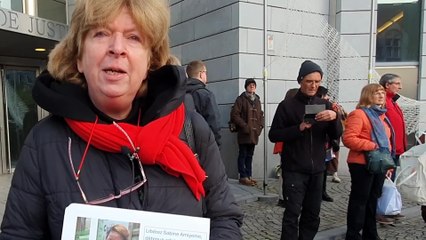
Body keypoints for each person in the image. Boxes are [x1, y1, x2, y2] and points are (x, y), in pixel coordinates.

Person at [0, 0, 243, 239]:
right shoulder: (44, 142)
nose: (117, 48)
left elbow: (224, 218)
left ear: (150, 61)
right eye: (101, 33)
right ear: (78, 58)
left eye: (134, 37)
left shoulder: (192, 129)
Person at [268, 60, 343, 240]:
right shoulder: (286, 105)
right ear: (301, 80)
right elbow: (274, 135)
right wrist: (298, 128)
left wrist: (335, 117)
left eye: (317, 81)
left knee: (312, 215)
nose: (313, 85)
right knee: (292, 214)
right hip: (294, 169)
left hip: (317, 170)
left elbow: (336, 134)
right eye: (309, 81)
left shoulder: (324, 105)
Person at [343, 83, 395, 239]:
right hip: (361, 164)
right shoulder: (359, 114)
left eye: (382, 93)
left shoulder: (382, 115)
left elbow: (387, 142)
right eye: (376, 93)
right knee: (360, 200)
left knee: (373, 200)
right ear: (367, 95)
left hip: (379, 163)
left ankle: (370, 234)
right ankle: (353, 235)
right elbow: (348, 138)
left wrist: (388, 163)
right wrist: (371, 146)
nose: (381, 96)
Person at [379, 73, 407, 220]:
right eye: (397, 83)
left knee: (391, 181)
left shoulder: (393, 101)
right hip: (388, 148)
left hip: (397, 149)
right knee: (383, 180)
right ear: (387, 85)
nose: (400, 87)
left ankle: (389, 208)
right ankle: (381, 211)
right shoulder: (382, 101)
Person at [231, 78, 264, 186]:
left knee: (250, 155)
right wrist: (245, 126)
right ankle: (243, 176)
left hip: (254, 133)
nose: (252, 86)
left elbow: (261, 114)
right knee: (243, 154)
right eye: (250, 85)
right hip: (244, 133)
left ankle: (249, 176)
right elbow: (235, 115)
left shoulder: (257, 100)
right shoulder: (240, 99)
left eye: (253, 85)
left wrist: (260, 126)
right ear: (246, 87)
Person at [186, 60, 222, 147]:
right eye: (205, 73)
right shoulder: (205, 95)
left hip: (185, 146)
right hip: (204, 146)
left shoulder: (180, 93)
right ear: (201, 74)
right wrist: (216, 146)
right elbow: (214, 123)